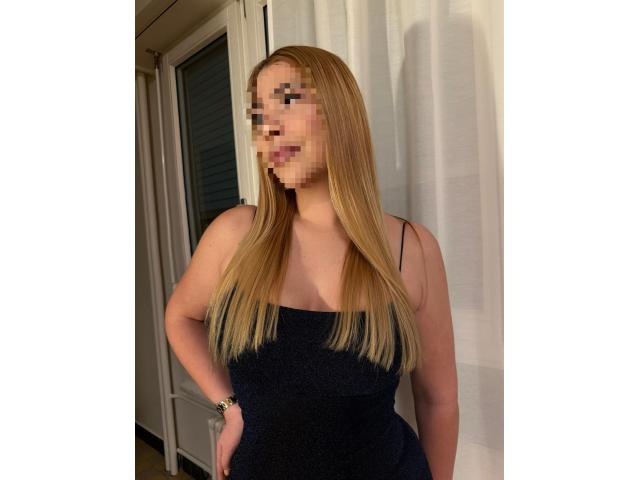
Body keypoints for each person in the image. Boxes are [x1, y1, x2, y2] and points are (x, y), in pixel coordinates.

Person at [164, 45, 458, 480]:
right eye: (258, 118)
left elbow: (438, 401)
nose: (268, 128)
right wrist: (230, 407)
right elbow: (181, 317)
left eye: (287, 99)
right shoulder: (236, 235)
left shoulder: (411, 249)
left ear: (339, 110)